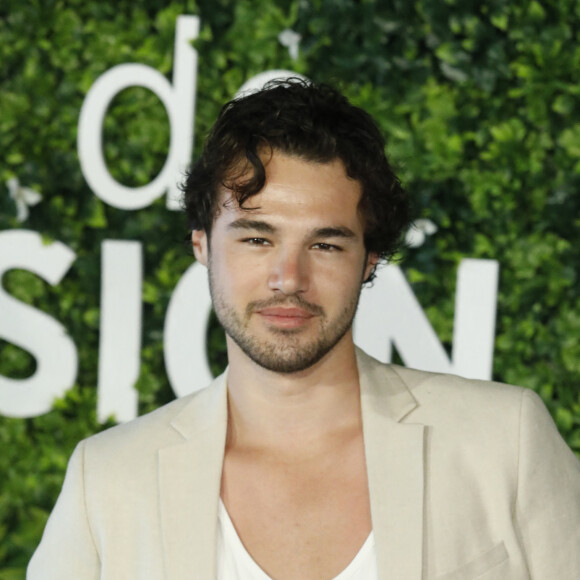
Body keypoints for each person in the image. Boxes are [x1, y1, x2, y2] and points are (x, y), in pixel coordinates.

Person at [29, 78, 580, 580]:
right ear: (202, 246)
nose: (288, 279)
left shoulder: (506, 441)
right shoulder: (105, 481)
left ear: (369, 260)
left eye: (325, 244)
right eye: (257, 238)